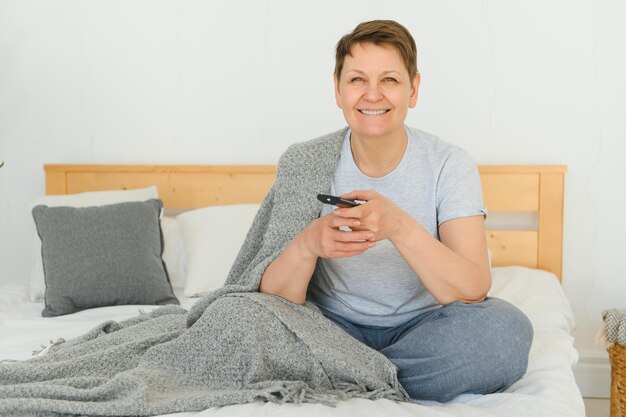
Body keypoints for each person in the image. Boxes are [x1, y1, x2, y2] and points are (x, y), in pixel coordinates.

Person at [258, 20, 533, 403]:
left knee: (507, 331)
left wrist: (400, 226)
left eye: (389, 80)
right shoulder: (303, 161)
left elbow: (472, 289)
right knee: (243, 319)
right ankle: (377, 379)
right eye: (357, 80)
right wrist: (308, 244)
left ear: (413, 89)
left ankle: (348, 376)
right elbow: (272, 296)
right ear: (337, 90)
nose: (372, 95)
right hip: (329, 329)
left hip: (424, 328)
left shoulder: (449, 164)